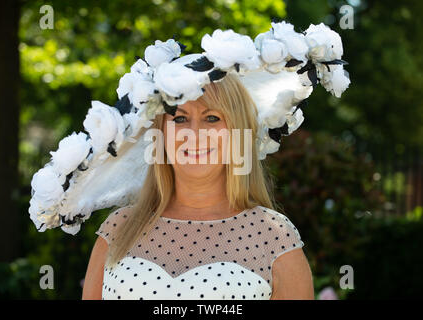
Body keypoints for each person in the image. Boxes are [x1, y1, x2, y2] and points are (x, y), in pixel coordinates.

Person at [82, 73, 314, 300]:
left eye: (212, 118)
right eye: (179, 119)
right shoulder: (118, 229)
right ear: (160, 133)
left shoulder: (273, 235)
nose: (195, 134)